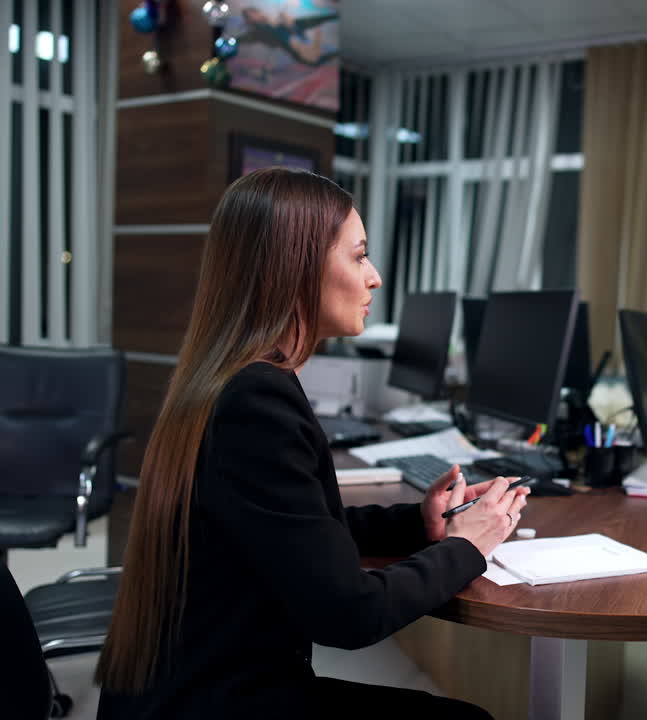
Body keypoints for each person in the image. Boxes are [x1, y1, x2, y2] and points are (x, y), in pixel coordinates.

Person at [95, 168, 527, 719]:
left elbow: (297, 530)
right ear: (295, 267)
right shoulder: (257, 402)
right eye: (358, 256)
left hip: (185, 688)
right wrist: (467, 547)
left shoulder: (237, 377)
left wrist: (418, 523)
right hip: (213, 703)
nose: (374, 277)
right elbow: (350, 615)